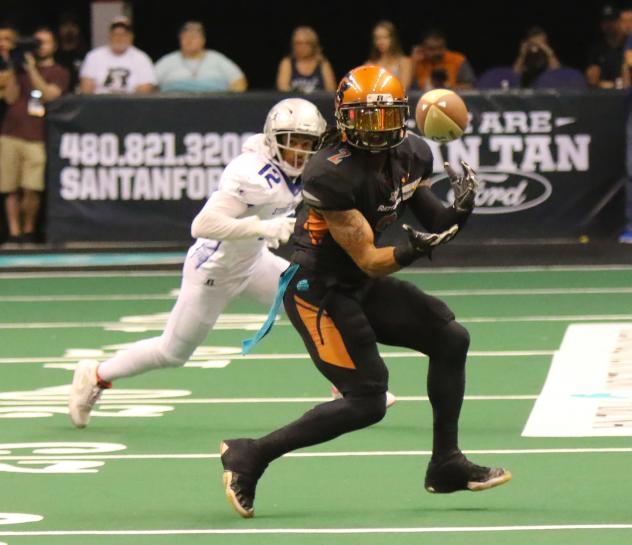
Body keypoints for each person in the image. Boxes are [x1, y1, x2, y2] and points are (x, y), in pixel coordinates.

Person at [220, 65, 511, 519]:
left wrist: (463, 207)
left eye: (385, 118)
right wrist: (412, 250)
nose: (376, 130)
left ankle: (446, 464)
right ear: (343, 116)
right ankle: (249, 454)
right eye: (364, 118)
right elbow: (370, 257)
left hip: (359, 283)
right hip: (317, 290)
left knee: (450, 338)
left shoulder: (412, 153)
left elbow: (435, 223)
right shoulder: (329, 172)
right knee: (367, 400)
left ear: (400, 116)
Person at [67, 98, 327, 428]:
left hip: (253, 260)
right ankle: (96, 375)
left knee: (316, 305)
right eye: (294, 143)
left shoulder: (301, 170)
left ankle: (346, 384)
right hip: (214, 269)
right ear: (274, 139)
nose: (301, 153)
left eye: (308, 144)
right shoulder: (251, 174)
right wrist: (261, 226)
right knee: (172, 352)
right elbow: (202, 225)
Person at [0, 27, 69, 245]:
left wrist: (32, 70)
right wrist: (13, 64)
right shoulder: (18, 69)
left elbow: (49, 95)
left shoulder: (59, 71)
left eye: (44, 43)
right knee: (9, 187)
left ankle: (29, 231)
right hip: (10, 132)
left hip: (35, 135)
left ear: (54, 45)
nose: (40, 47)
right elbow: (10, 98)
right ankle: (14, 232)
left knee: (32, 188)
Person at [155, 21, 247, 92]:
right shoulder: (167, 61)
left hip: (214, 109)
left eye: (194, 37)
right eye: (185, 37)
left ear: (203, 40)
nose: (189, 40)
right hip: (174, 109)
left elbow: (239, 82)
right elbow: (150, 85)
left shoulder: (217, 59)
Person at [79, 16, 156, 94]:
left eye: (124, 34)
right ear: (109, 35)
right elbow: (86, 89)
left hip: (130, 104)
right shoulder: (93, 56)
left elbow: (146, 89)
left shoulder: (142, 58)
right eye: (115, 34)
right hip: (99, 103)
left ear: (131, 37)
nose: (119, 38)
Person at [276, 26, 336, 94]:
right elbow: (283, 89)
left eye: (307, 43)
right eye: (299, 43)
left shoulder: (322, 64)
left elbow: (331, 92)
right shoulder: (287, 63)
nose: (303, 47)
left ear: (313, 45)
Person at [411, 29, 475, 91]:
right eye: (431, 49)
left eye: (440, 48)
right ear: (422, 48)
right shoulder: (416, 62)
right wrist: (413, 63)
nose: (437, 52)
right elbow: (405, 87)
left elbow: (470, 86)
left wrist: (448, 89)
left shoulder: (458, 60)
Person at [366, 20, 412, 90]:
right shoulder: (369, 65)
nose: (380, 42)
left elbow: (403, 89)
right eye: (377, 38)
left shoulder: (404, 62)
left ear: (393, 39)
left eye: (385, 37)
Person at [55, 12, 89, 93]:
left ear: (78, 29)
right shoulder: (54, 54)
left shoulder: (87, 55)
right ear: (59, 29)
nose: (69, 30)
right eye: (65, 26)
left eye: (73, 26)